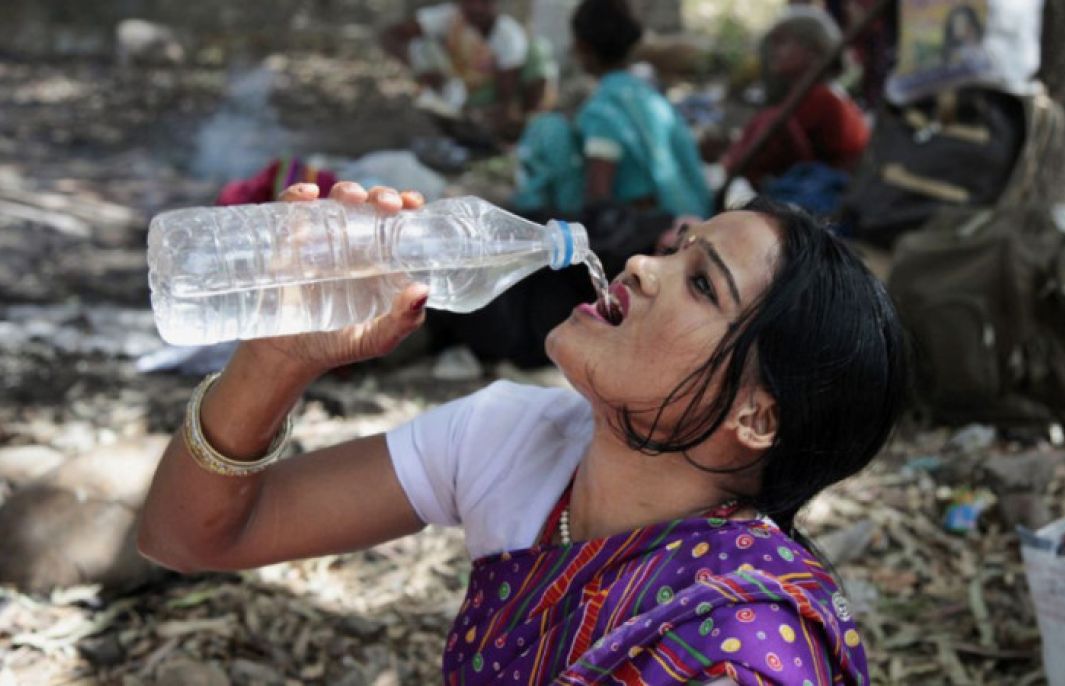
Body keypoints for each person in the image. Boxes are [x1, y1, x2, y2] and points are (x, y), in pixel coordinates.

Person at [138, 179, 907, 684]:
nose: (640, 265)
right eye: (676, 249)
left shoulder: (741, 653)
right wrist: (278, 355)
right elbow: (189, 537)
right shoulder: (515, 435)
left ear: (756, 416)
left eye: (701, 284)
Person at [512, 0, 712, 221]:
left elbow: (599, 198)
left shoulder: (603, 111)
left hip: (665, 230)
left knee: (547, 128)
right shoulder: (648, 95)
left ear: (582, 47)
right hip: (700, 214)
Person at [723, 10, 870, 189]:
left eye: (782, 43)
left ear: (813, 51)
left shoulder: (822, 98)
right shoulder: (804, 95)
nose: (774, 51)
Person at [380, 0, 556, 140]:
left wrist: (497, 119)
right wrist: (420, 69)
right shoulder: (448, 17)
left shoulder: (508, 36)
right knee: (420, 44)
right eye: (469, 1)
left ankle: (528, 125)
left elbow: (505, 95)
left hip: (487, 97)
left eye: (483, 2)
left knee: (537, 50)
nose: (476, 8)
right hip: (452, 88)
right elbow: (392, 35)